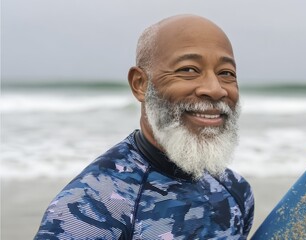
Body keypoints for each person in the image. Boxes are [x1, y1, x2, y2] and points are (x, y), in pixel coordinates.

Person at [35, 14, 254, 239]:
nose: (216, 89)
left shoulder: (236, 191)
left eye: (226, 73)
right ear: (140, 84)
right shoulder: (89, 208)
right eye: (189, 69)